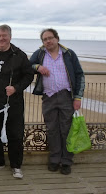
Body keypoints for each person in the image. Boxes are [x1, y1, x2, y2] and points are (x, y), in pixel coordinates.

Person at [29, 28, 85, 175]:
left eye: (50, 38)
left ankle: (66, 162)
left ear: (57, 38)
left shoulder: (69, 53)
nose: (48, 41)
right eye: (45, 39)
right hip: (49, 97)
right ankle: (54, 160)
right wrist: (38, 67)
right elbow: (28, 65)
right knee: (52, 130)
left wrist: (77, 97)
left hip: (67, 97)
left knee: (66, 130)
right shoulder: (40, 53)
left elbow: (79, 75)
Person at [0, 24, 34, 179]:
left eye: (4, 36)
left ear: (10, 37)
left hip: (13, 103)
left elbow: (29, 75)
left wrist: (16, 88)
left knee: (15, 135)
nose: (1, 38)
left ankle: (16, 166)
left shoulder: (19, 55)